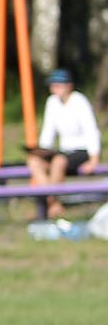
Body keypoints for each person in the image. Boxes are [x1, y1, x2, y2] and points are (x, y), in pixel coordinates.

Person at [25, 68, 100, 219]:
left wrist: (94, 159)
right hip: (63, 152)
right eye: (53, 85)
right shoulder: (52, 102)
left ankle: (49, 204)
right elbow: (48, 132)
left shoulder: (80, 102)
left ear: (68, 86)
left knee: (58, 162)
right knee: (34, 162)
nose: (54, 89)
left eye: (58, 85)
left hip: (82, 151)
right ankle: (54, 204)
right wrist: (42, 151)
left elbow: (91, 130)